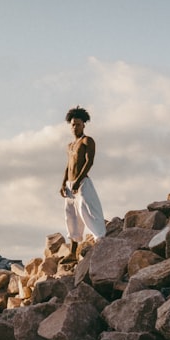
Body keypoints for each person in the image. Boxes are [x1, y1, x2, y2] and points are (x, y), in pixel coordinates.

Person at [59, 106, 105, 254]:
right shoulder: (70, 146)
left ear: (84, 125)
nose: (75, 127)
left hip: (83, 183)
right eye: (73, 125)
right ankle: (73, 252)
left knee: (89, 211)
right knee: (71, 217)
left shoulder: (87, 141)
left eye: (78, 124)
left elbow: (89, 161)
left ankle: (100, 241)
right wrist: (63, 183)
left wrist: (78, 181)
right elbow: (68, 166)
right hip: (70, 185)